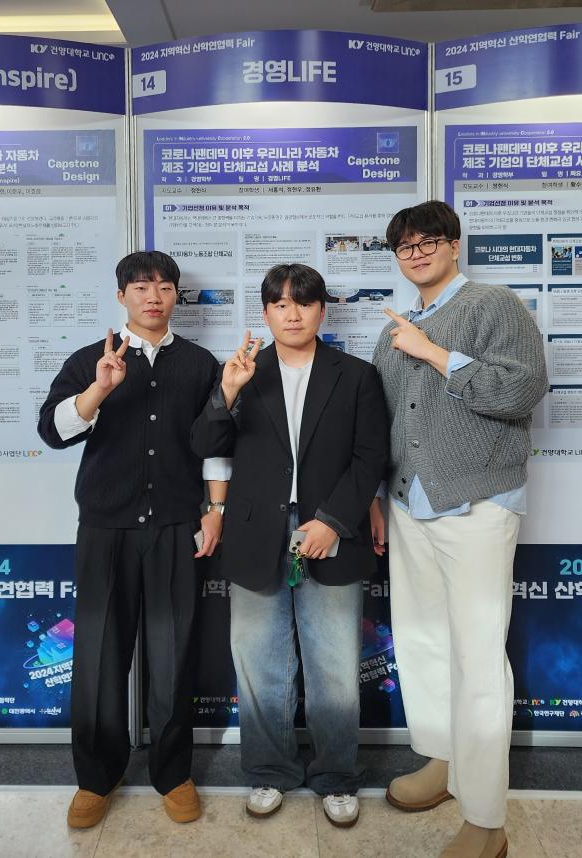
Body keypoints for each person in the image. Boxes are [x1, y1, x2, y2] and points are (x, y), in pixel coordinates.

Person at [370, 201, 548, 858]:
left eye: (428, 241)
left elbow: (523, 390)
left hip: (476, 502)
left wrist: (434, 354)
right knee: (422, 640)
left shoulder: (494, 305)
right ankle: (444, 762)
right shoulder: (394, 328)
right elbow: (384, 420)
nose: (416, 253)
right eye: (405, 246)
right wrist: (375, 496)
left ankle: (486, 817)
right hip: (408, 504)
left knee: (477, 656)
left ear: (453, 244)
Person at [191, 263, 388, 828]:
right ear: (265, 313)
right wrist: (227, 391)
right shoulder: (242, 372)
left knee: (334, 664)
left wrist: (333, 521)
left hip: (330, 529)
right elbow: (204, 444)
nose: (292, 313)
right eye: (280, 304)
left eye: (302, 302)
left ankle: (336, 777)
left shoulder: (356, 375)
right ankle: (269, 770)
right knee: (259, 661)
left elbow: (370, 456)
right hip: (256, 532)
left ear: (322, 310)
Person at [37, 250, 229, 829]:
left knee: (173, 655)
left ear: (175, 297)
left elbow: (214, 441)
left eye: (165, 287)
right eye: (141, 287)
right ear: (121, 296)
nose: (154, 297)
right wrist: (98, 390)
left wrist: (214, 510)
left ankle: (173, 774)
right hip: (106, 528)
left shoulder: (199, 364)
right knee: (99, 655)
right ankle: (96, 776)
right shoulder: (89, 359)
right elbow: (52, 431)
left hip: (175, 527)